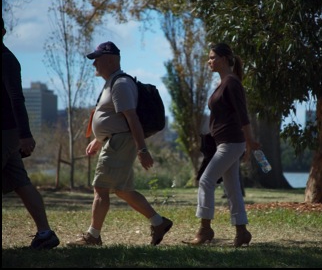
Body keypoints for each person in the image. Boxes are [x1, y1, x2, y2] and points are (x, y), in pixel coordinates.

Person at [67, 41, 172, 246]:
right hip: (115, 141)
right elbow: (116, 118)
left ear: (110, 59)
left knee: (100, 188)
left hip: (119, 142)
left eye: (97, 59)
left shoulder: (121, 84)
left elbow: (132, 119)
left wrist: (142, 149)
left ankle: (93, 236)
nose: (94, 64)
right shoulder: (112, 82)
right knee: (123, 190)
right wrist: (99, 139)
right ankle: (158, 223)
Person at [184, 43, 260, 247]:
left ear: (224, 59)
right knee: (233, 187)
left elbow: (243, 114)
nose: (209, 61)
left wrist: (250, 142)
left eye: (212, 57)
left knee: (206, 181)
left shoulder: (231, 82)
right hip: (224, 143)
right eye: (209, 58)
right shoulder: (224, 82)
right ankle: (242, 232)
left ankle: (205, 230)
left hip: (231, 143)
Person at [2, 17, 60, 250]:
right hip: (9, 133)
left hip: (5, 131)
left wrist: (25, 135)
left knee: (21, 182)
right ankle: (45, 233)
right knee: (20, 182)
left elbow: (17, 98)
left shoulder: (6, 60)